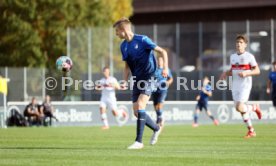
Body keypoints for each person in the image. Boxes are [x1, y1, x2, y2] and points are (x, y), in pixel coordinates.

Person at [113, 17, 169, 149]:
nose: (116, 34)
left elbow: (163, 52)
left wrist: (165, 68)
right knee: (137, 112)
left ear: (123, 30)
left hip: (150, 76)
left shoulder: (142, 40)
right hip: (137, 79)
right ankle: (156, 128)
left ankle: (139, 141)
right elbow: (127, 66)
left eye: (117, 31)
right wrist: (124, 81)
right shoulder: (123, 46)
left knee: (140, 105)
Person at [220, 34, 262, 138]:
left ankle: (254, 107)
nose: (238, 44)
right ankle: (251, 130)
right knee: (239, 109)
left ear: (245, 45)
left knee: (240, 106)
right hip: (235, 85)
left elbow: (257, 71)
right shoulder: (233, 57)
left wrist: (246, 73)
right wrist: (225, 73)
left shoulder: (249, 57)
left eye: (241, 42)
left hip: (245, 85)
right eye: (237, 42)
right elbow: (233, 70)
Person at [151, 56, 173, 126]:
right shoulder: (154, 70)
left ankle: (160, 118)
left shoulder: (166, 69)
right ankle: (159, 117)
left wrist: (168, 82)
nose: (159, 62)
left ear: (163, 62)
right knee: (155, 106)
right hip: (154, 90)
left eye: (161, 61)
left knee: (159, 105)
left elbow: (171, 79)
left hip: (163, 90)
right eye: (158, 61)